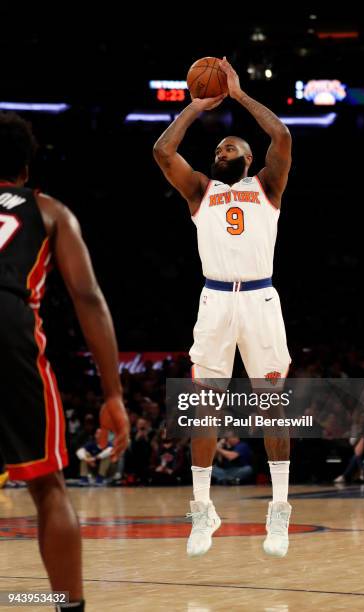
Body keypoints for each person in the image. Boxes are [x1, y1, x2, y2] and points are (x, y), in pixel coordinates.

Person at [154, 57, 292, 558]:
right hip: (214, 300)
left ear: (249, 159)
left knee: (273, 408)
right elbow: (162, 149)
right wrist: (195, 108)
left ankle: (278, 513)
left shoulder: (267, 187)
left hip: (260, 298)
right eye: (218, 146)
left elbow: (282, 137)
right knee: (202, 409)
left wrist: (237, 95)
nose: (222, 148)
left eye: (230, 144)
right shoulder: (199, 192)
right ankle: (202, 510)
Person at [0, 112, 129, 611]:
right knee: (48, 486)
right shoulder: (48, 210)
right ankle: (68, 608)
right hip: (9, 329)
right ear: (27, 170)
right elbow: (89, 299)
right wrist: (113, 394)